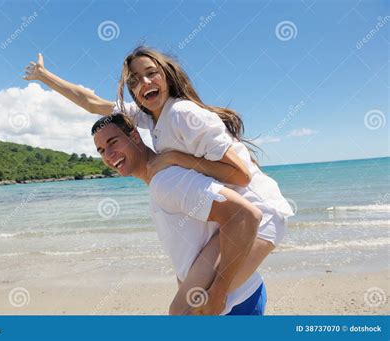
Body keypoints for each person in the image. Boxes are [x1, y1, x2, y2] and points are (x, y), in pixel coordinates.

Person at [23, 47, 293, 309]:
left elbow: (242, 176)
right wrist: (44, 76)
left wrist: (176, 158)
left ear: (166, 75)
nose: (145, 82)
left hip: (260, 212)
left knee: (198, 308)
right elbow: (91, 103)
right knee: (190, 305)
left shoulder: (183, 114)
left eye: (151, 73)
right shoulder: (149, 117)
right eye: (135, 80)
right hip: (233, 214)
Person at [92, 113, 265, 315]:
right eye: (102, 151)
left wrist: (219, 292)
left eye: (113, 142)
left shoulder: (166, 180)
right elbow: (188, 252)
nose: (109, 154)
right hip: (232, 301)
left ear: (135, 136)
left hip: (234, 304)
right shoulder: (159, 183)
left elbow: (244, 215)